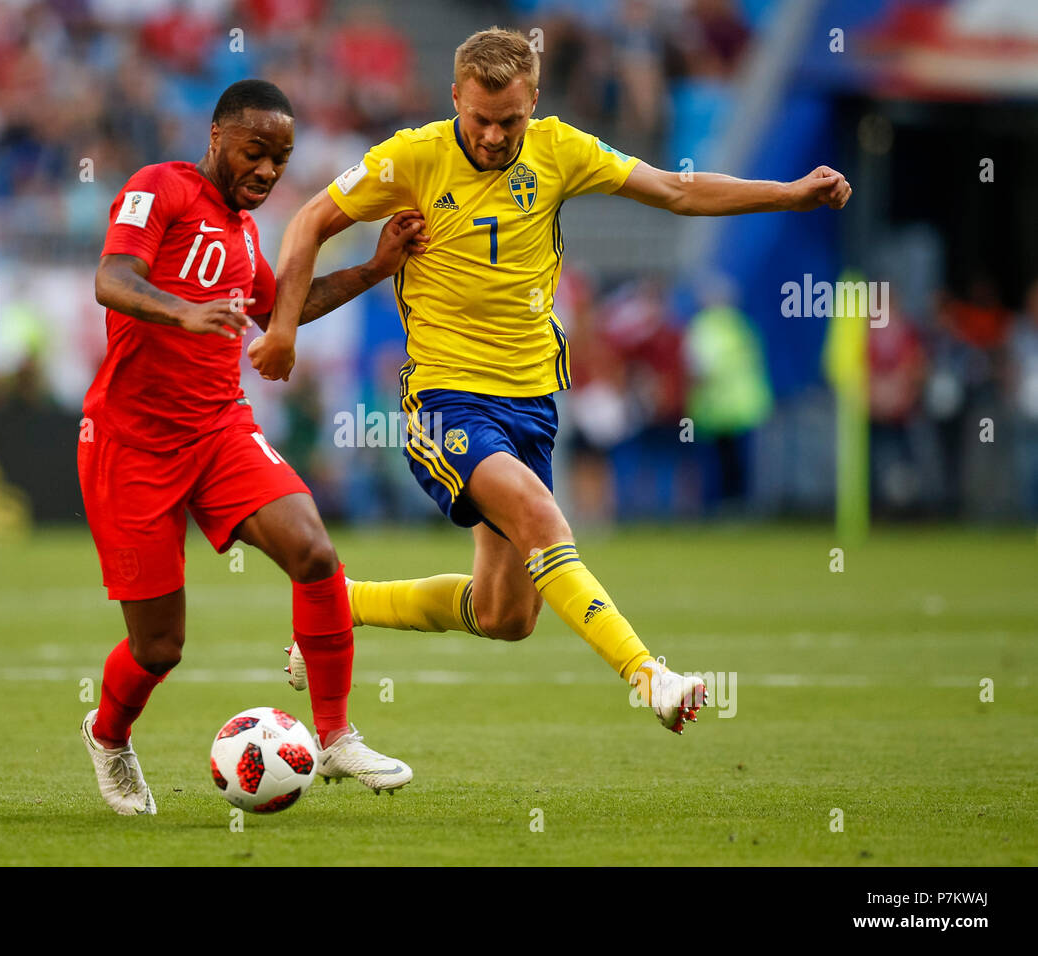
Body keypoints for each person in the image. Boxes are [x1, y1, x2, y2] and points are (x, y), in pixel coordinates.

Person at [253, 28, 851, 734]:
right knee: (543, 522)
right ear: (455, 98)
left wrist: (786, 193)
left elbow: (676, 191)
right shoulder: (412, 157)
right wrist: (285, 325)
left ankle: (340, 603)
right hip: (446, 400)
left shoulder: (561, 149)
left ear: (534, 102)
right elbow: (308, 222)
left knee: (504, 615)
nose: (495, 136)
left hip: (532, 403)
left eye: (511, 120)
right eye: (480, 119)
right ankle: (649, 676)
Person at [78, 79, 424, 814]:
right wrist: (185, 314)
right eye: (255, 151)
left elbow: (281, 307)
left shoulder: (242, 233)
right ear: (217, 138)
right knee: (158, 648)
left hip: (219, 430)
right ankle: (109, 735)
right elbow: (111, 279)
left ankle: (332, 737)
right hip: (131, 445)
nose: (268, 169)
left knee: (316, 554)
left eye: (281, 157)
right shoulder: (160, 189)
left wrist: (374, 268)